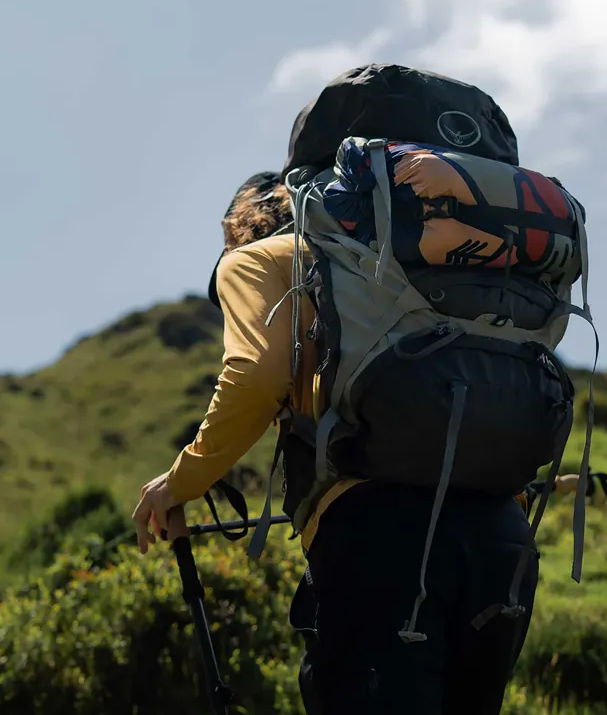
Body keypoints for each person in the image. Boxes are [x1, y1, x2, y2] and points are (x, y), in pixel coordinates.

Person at [132, 171, 577, 714]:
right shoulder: (407, 258)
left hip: (379, 535)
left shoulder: (260, 258)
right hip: (503, 536)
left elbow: (256, 373)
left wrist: (178, 483)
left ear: (238, 224)